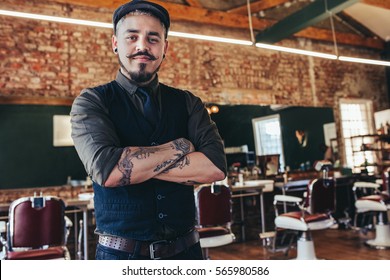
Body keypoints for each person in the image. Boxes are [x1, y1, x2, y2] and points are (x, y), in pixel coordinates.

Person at [70, 0, 227, 260]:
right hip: (121, 257)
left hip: (186, 252)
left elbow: (215, 167)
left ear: (165, 48)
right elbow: (108, 171)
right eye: (132, 37)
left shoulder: (188, 102)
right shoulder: (92, 101)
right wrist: (183, 146)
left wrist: (135, 166)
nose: (142, 46)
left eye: (153, 39)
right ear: (115, 43)